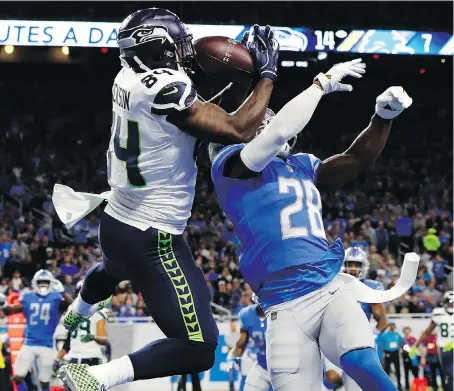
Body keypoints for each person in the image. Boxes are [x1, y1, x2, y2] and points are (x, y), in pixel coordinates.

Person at [57, 8, 280, 391]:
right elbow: (237, 128)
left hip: (116, 223)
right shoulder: (164, 88)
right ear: (158, 50)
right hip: (154, 237)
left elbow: (190, 106)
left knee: (113, 270)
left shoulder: (126, 75)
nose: (185, 50)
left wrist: (229, 76)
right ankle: (95, 377)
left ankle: (75, 314)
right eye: (176, 44)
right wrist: (267, 74)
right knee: (200, 347)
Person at [209, 56, 412, 390]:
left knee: (360, 360)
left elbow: (355, 160)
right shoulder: (230, 169)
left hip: (328, 283)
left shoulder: (300, 165)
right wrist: (320, 84)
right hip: (282, 303)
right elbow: (278, 132)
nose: (265, 123)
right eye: (260, 122)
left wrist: (382, 118)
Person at [323, 247, 389, 391]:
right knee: (331, 377)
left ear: (363, 266)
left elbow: (383, 321)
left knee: (357, 384)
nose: (353, 268)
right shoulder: (333, 283)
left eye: (357, 265)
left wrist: (373, 335)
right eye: (350, 264)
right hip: (335, 336)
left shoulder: (371, 287)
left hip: (358, 339)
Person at [4, 270, 72, 391]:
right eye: (41, 282)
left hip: (47, 344)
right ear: (35, 283)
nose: (43, 285)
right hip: (29, 343)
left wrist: (63, 292)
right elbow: (11, 310)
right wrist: (3, 304)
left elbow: (71, 306)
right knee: (17, 378)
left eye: (46, 282)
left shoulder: (56, 297)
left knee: (45, 382)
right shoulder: (28, 296)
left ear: (51, 283)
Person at [53, 281, 109, 376]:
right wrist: (57, 358)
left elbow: (104, 340)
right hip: (75, 357)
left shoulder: (98, 313)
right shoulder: (75, 313)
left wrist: (92, 337)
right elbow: (68, 342)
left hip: (91, 356)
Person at [411, 290, 453, 391]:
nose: (452, 305)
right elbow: (427, 331)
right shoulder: (438, 314)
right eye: (450, 302)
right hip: (444, 349)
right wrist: (416, 344)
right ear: (444, 302)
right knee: (449, 374)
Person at [228, 294, 269, 391]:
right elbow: (240, 345)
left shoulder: (280, 312)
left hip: (282, 367)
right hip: (262, 365)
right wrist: (232, 357)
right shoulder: (247, 315)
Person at [379, 322, 404, 390]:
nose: (392, 327)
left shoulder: (397, 335)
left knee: (398, 370)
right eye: (391, 325)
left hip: (396, 353)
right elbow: (381, 344)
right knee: (387, 370)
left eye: (393, 325)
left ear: (395, 326)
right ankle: (386, 385)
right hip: (388, 353)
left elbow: (402, 343)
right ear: (389, 326)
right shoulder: (385, 335)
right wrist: (383, 352)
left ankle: (399, 384)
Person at [401, 326, 418, 391]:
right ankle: (407, 387)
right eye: (405, 331)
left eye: (408, 330)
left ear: (410, 331)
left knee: (415, 373)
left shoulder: (413, 339)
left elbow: (417, 347)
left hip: (413, 358)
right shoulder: (403, 340)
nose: (407, 332)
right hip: (406, 358)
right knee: (406, 373)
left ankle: (417, 386)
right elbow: (402, 348)